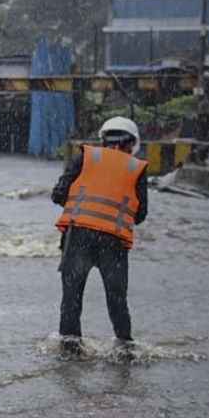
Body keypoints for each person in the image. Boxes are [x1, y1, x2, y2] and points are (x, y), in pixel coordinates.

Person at [52, 116, 149, 354]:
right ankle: (125, 349)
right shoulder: (135, 168)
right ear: (132, 144)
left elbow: (58, 194)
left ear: (103, 139)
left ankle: (69, 351)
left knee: (72, 299)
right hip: (113, 242)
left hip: (78, 237)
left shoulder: (85, 157)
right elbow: (140, 215)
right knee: (117, 300)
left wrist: (81, 208)